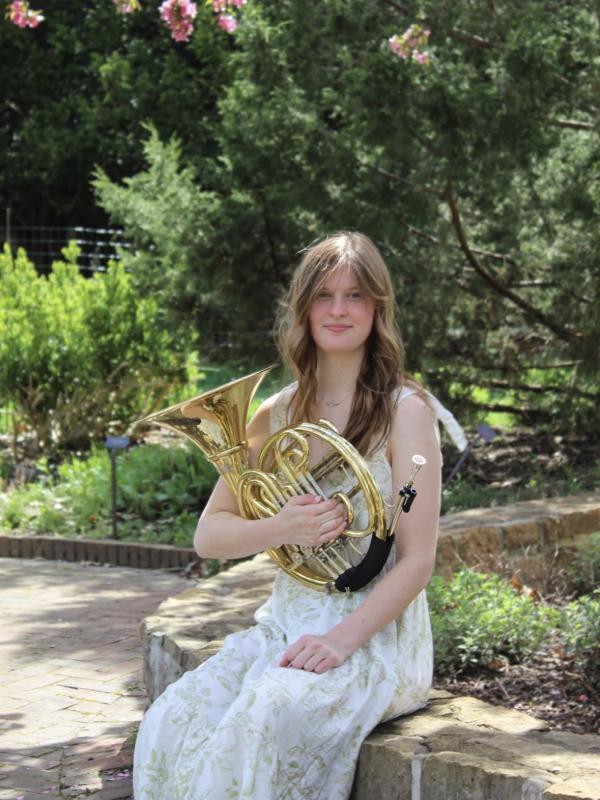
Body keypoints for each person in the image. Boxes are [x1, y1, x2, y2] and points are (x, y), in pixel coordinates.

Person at [133, 231, 446, 800]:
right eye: (323, 295)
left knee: (265, 713)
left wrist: (340, 641)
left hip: (375, 638)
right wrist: (280, 529)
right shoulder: (277, 412)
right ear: (304, 309)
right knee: (174, 713)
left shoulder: (408, 413)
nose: (338, 310)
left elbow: (417, 559)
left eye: (355, 295)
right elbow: (210, 536)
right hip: (284, 622)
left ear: (378, 306)